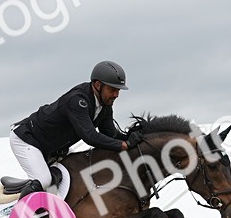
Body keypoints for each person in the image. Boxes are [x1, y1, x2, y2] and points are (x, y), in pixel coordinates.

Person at [8, 61, 139, 197]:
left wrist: (131, 138)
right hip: (27, 139)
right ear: (98, 85)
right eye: (112, 89)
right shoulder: (77, 100)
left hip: (52, 148)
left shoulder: (105, 107)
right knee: (44, 180)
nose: (116, 95)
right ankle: (19, 214)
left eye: (118, 90)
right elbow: (89, 136)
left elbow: (110, 135)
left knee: (74, 172)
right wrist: (124, 145)